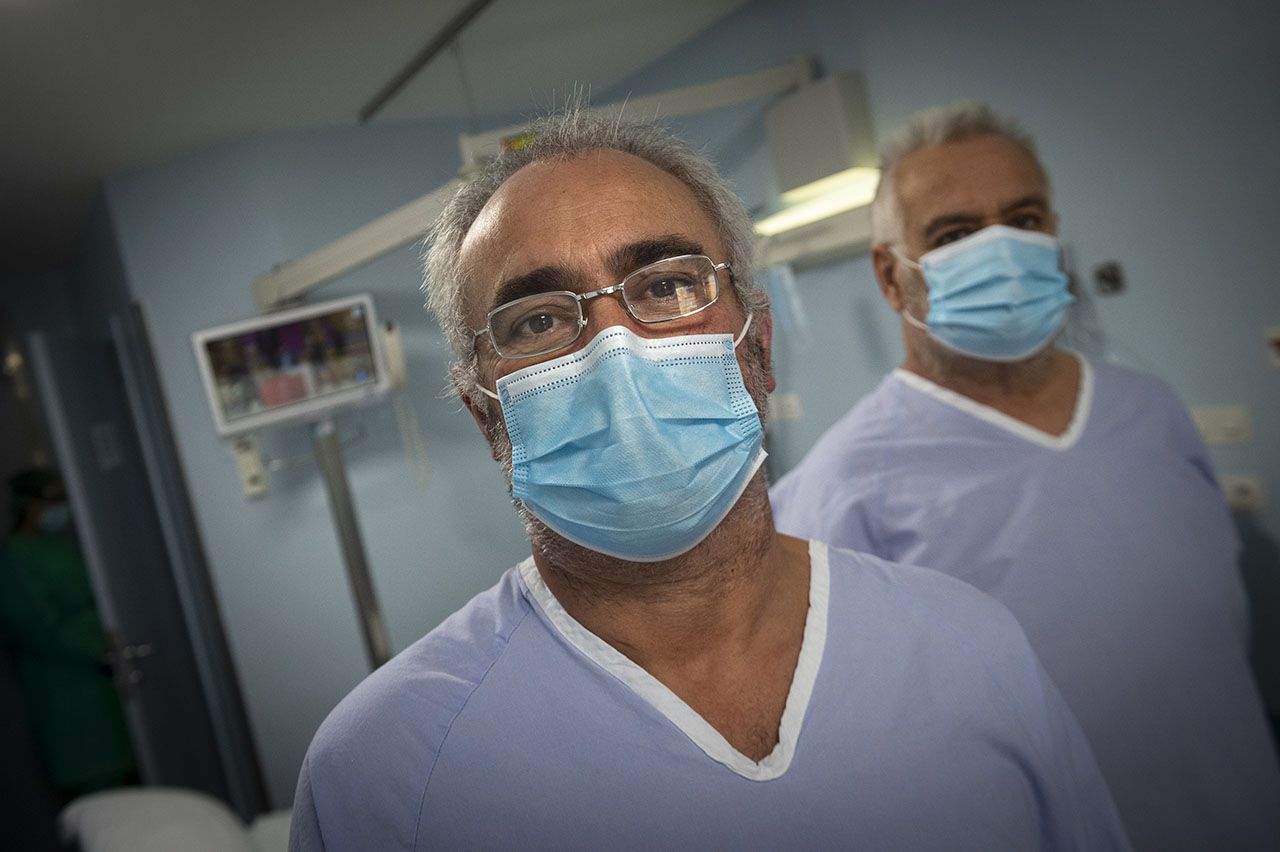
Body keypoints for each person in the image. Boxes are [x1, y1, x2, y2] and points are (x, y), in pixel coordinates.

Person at [289, 108, 1130, 851]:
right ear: (487, 415)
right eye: (539, 318)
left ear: (757, 349)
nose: (614, 347)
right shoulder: (386, 773)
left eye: (666, 285)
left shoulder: (970, 647)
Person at [771, 101, 1280, 851]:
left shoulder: (1148, 408)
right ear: (890, 274)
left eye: (1025, 218)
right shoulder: (840, 489)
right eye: (954, 234)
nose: (1001, 251)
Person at [0, 468, 136, 803]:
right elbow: (37, 627)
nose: (61, 510)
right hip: (64, 690)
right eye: (53, 502)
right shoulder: (15, 558)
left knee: (124, 779)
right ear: (28, 507)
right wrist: (99, 642)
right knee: (98, 787)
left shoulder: (57, 550)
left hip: (98, 681)